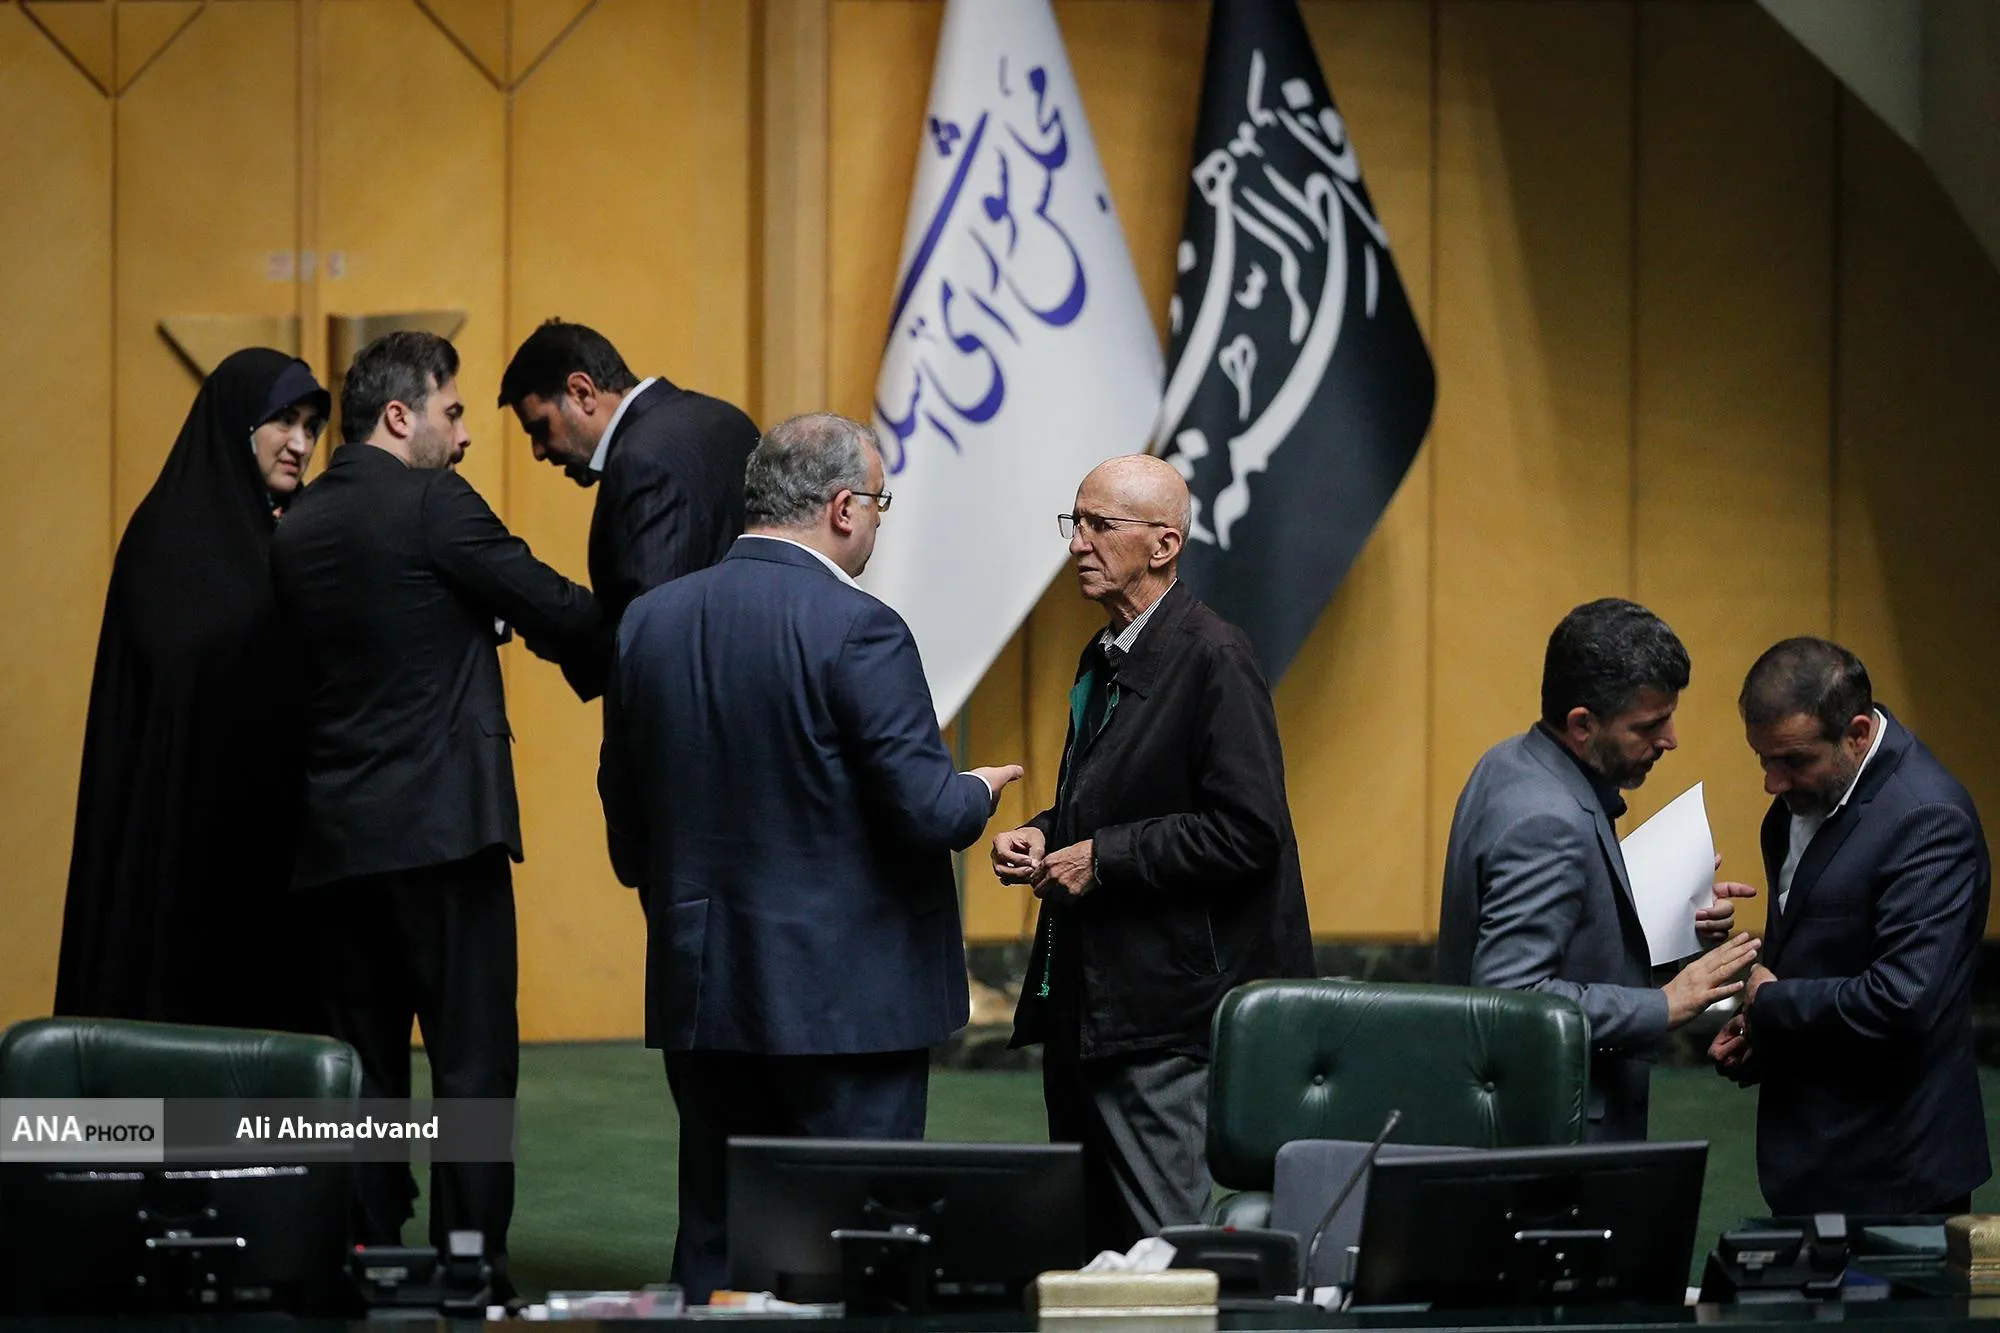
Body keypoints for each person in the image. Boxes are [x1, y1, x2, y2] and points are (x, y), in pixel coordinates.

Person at [599, 412, 1021, 1302]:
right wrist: (980, 790)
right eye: (879, 503)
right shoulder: (860, 628)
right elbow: (927, 810)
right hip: (847, 1001)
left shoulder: (649, 620)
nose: (877, 522)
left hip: (706, 982)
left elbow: (625, 807)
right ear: (841, 507)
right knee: (855, 1241)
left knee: (714, 1230)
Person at [270, 331, 597, 1292]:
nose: (462, 436)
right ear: (399, 414)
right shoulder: (431, 502)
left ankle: (370, 1253)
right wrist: (660, 635)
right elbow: (557, 608)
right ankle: (467, 1261)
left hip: (335, 840)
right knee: (471, 1065)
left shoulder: (295, 527)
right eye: (451, 413)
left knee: (364, 1068)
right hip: (444, 837)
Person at [991, 454, 1315, 1256]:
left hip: (1164, 1022)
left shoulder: (1214, 656)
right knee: (1093, 1259)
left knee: (1161, 1257)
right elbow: (1117, 799)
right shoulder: (1105, 653)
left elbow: (1250, 830)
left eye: (1100, 525)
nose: (1078, 543)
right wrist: (1047, 831)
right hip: (1090, 1010)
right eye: (1076, 522)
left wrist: (1103, 857)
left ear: (1164, 545)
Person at [55, 347, 330, 1032]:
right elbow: (174, 682)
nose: (300, 444)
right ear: (238, 421)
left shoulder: (299, 534)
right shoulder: (168, 534)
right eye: (283, 420)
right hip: (178, 838)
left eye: (310, 427)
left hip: (273, 840)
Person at [1435, 597, 1760, 1142]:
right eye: (1649, 725)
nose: (1671, 739)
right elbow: (1511, 999)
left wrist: (1665, 914)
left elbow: (1567, 926)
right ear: (1582, 724)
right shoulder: (1549, 819)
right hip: (1552, 1134)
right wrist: (1664, 1004)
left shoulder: (1510, 762)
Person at [1710, 637, 1991, 1214]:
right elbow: (1817, 953)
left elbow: (1903, 999)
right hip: (1810, 1156)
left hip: (1894, 1173)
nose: (1772, 783)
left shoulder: (1927, 818)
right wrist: (1764, 1034)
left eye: (1792, 761)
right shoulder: (1804, 801)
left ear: (1857, 733)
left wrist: (1772, 1003)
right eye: (1763, 759)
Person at [498, 318, 759, 700]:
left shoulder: (640, 460)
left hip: (687, 715)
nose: (539, 451)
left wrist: (559, 634)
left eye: (540, 427)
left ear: (582, 392)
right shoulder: (728, 419)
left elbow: (652, 634)